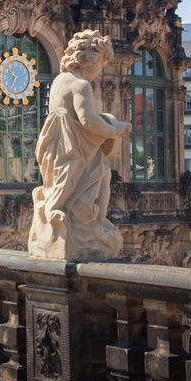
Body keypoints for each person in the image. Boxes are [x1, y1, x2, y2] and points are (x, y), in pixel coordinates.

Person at [28, 30, 132, 260]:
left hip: (55, 139)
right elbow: (87, 119)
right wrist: (114, 130)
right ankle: (94, 218)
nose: (100, 72)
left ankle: (55, 208)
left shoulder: (59, 80)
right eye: (101, 66)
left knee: (63, 178)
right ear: (90, 61)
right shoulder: (82, 85)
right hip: (73, 143)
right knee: (96, 176)